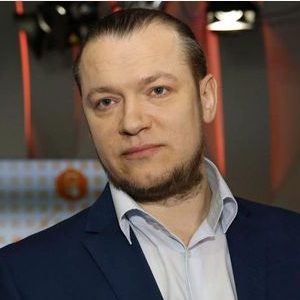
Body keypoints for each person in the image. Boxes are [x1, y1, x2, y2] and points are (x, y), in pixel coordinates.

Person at [0, 8, 299, 300]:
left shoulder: (292, 243)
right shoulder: (24, 277)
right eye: (106, 102)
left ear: (206, 98)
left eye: (158, 91)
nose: (132, 122)